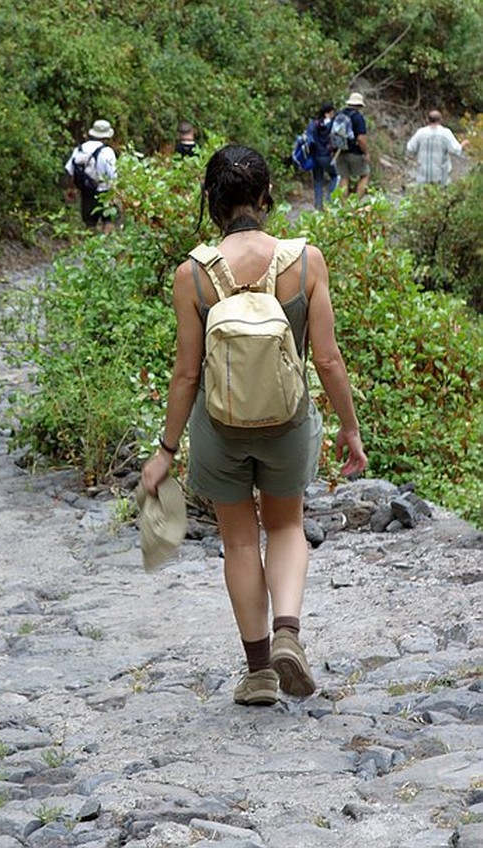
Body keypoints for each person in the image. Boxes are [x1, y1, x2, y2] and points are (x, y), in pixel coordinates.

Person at [141, 144, 367, 706]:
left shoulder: (191, 274)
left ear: (212, 203)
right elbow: (328, 358)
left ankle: (260, 671)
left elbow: (186, 373)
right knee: (287, 526)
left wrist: (166, 449)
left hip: (219, 427)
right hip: (288, 421)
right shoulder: (304, 261)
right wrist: (350, 427)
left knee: (240, 541)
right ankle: (289, 632)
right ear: (267, 197)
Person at [64, 119, 118, 234]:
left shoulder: (80, 149)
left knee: (89, 225)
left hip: (87, 192)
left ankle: (90, 248)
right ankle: (107, 247)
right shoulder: (107, 152)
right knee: (108, 222)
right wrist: (115, 196)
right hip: (105, 193)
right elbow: (113, 176)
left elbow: (70, 170)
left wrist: (71, 189)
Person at [406, 110, 469, 186]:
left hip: (423, 174)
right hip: (440, 175)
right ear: (440, 120)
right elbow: (455, 150)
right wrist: (463, 144)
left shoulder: (420, 133)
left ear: (428, 120)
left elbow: (410, 148)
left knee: (423, 194)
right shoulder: (445, 133)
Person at [336, 92, 370, 198]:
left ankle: (343, 206)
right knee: (365, 175)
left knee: (344, 177)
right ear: (359, 105)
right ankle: (355, 204)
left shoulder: (339, 115)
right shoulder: (358, 118)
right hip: (355, 153)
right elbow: (361, 139)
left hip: (340, 151)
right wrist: (366, 152)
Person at [306, 102, 338, 210]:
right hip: (326, 156)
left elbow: (308, 139)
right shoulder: (332, 124)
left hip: (315, 157)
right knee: (335, 176)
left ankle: (318, 205)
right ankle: (329, 200)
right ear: (328, 113)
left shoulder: (313, 123)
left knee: (318, 181)